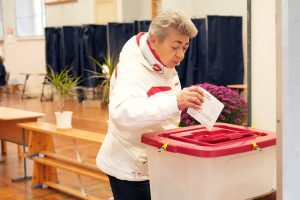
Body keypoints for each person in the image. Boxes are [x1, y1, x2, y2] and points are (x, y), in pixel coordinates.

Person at [96, 10, 204, 200]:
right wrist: (175, 102)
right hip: (129, 167)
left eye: (185, 48)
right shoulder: (133, 69)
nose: (180, 55)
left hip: (154, 160)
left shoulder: (163, 62)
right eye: (175, 47)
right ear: (154, 41)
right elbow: (122, 115)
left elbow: (157, 101)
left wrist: (186, 101)